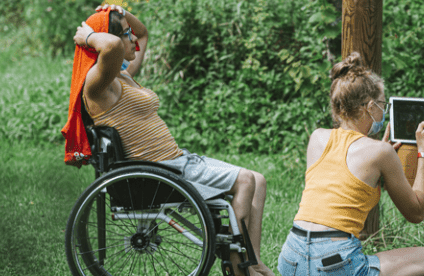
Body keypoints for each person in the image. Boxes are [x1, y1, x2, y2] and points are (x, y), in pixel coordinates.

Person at [63, 5, 274, 276]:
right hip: (161, 171)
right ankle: (237, 264)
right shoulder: (98, 86)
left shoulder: (123, 76)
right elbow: (113, 44)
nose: (134, 40)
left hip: (177, 162)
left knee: (259, 180)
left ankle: (253, 262)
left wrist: (122, 11)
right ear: (105, 40)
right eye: (127, 34)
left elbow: (144, 33)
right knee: (246, 180)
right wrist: (89, 36)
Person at [277, 52, 424, 276]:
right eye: (383, 105)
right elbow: (416, 213)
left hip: (290, 258)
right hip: (334, 262)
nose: (383, 112)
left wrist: (381, 162)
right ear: (371, 107)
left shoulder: (317, 138)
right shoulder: (379, 152)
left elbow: (343, 191)